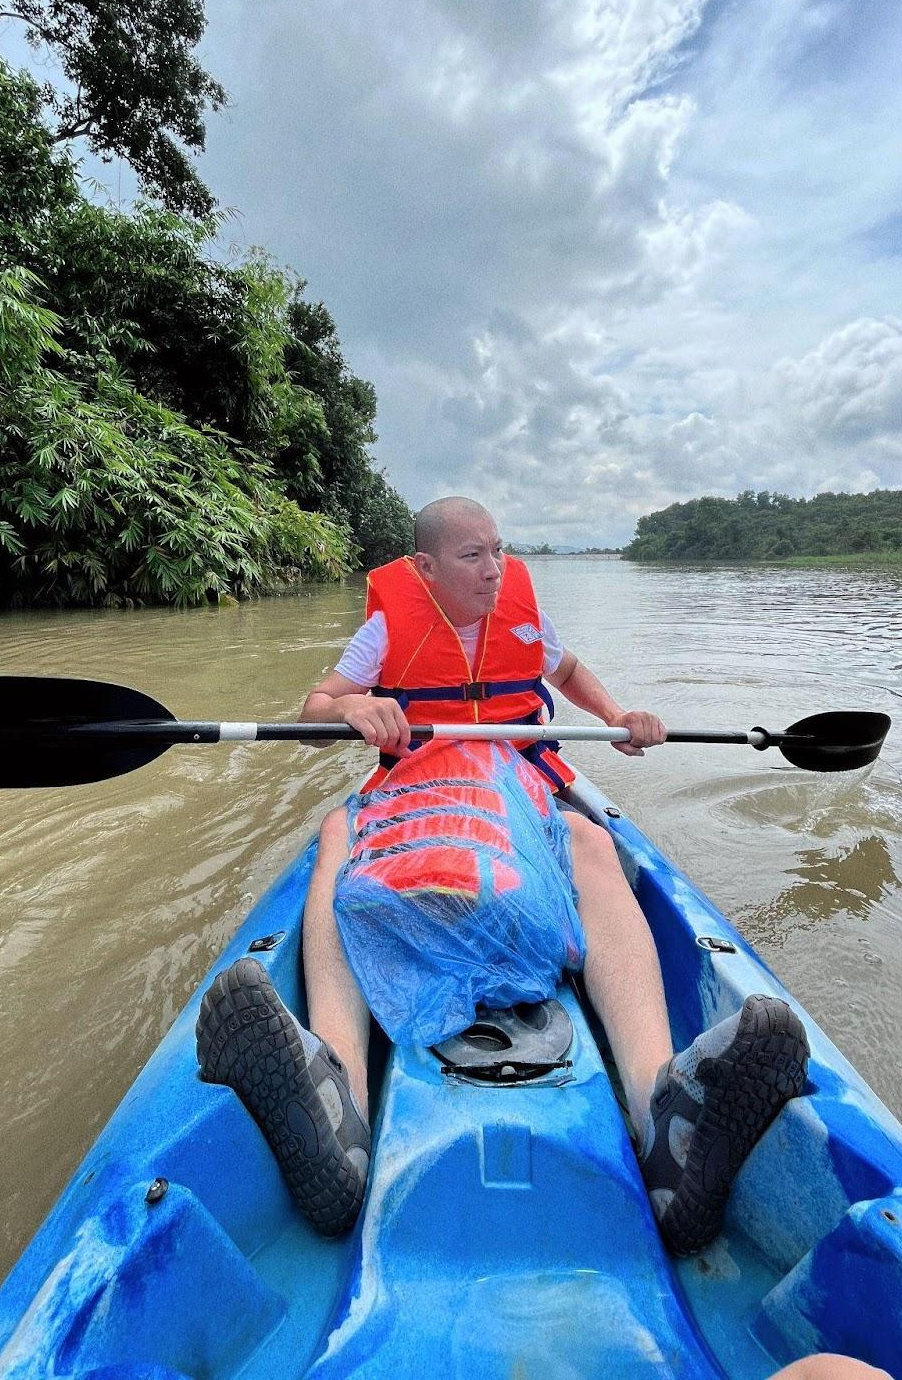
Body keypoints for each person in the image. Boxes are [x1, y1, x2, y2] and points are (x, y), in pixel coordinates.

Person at [197, 497, 809, 1254]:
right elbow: (315, 710)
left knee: (586, 836)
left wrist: (621, 716)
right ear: (424, 568)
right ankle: (339, 1097)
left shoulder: (521, 617)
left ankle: (666, 1117)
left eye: (498, 551)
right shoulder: (387, 628)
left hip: (512, 781)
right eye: (471, 557)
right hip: (424, 783)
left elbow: (571, 669)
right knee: (337, 829)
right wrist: (358, 707)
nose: (493, 570)